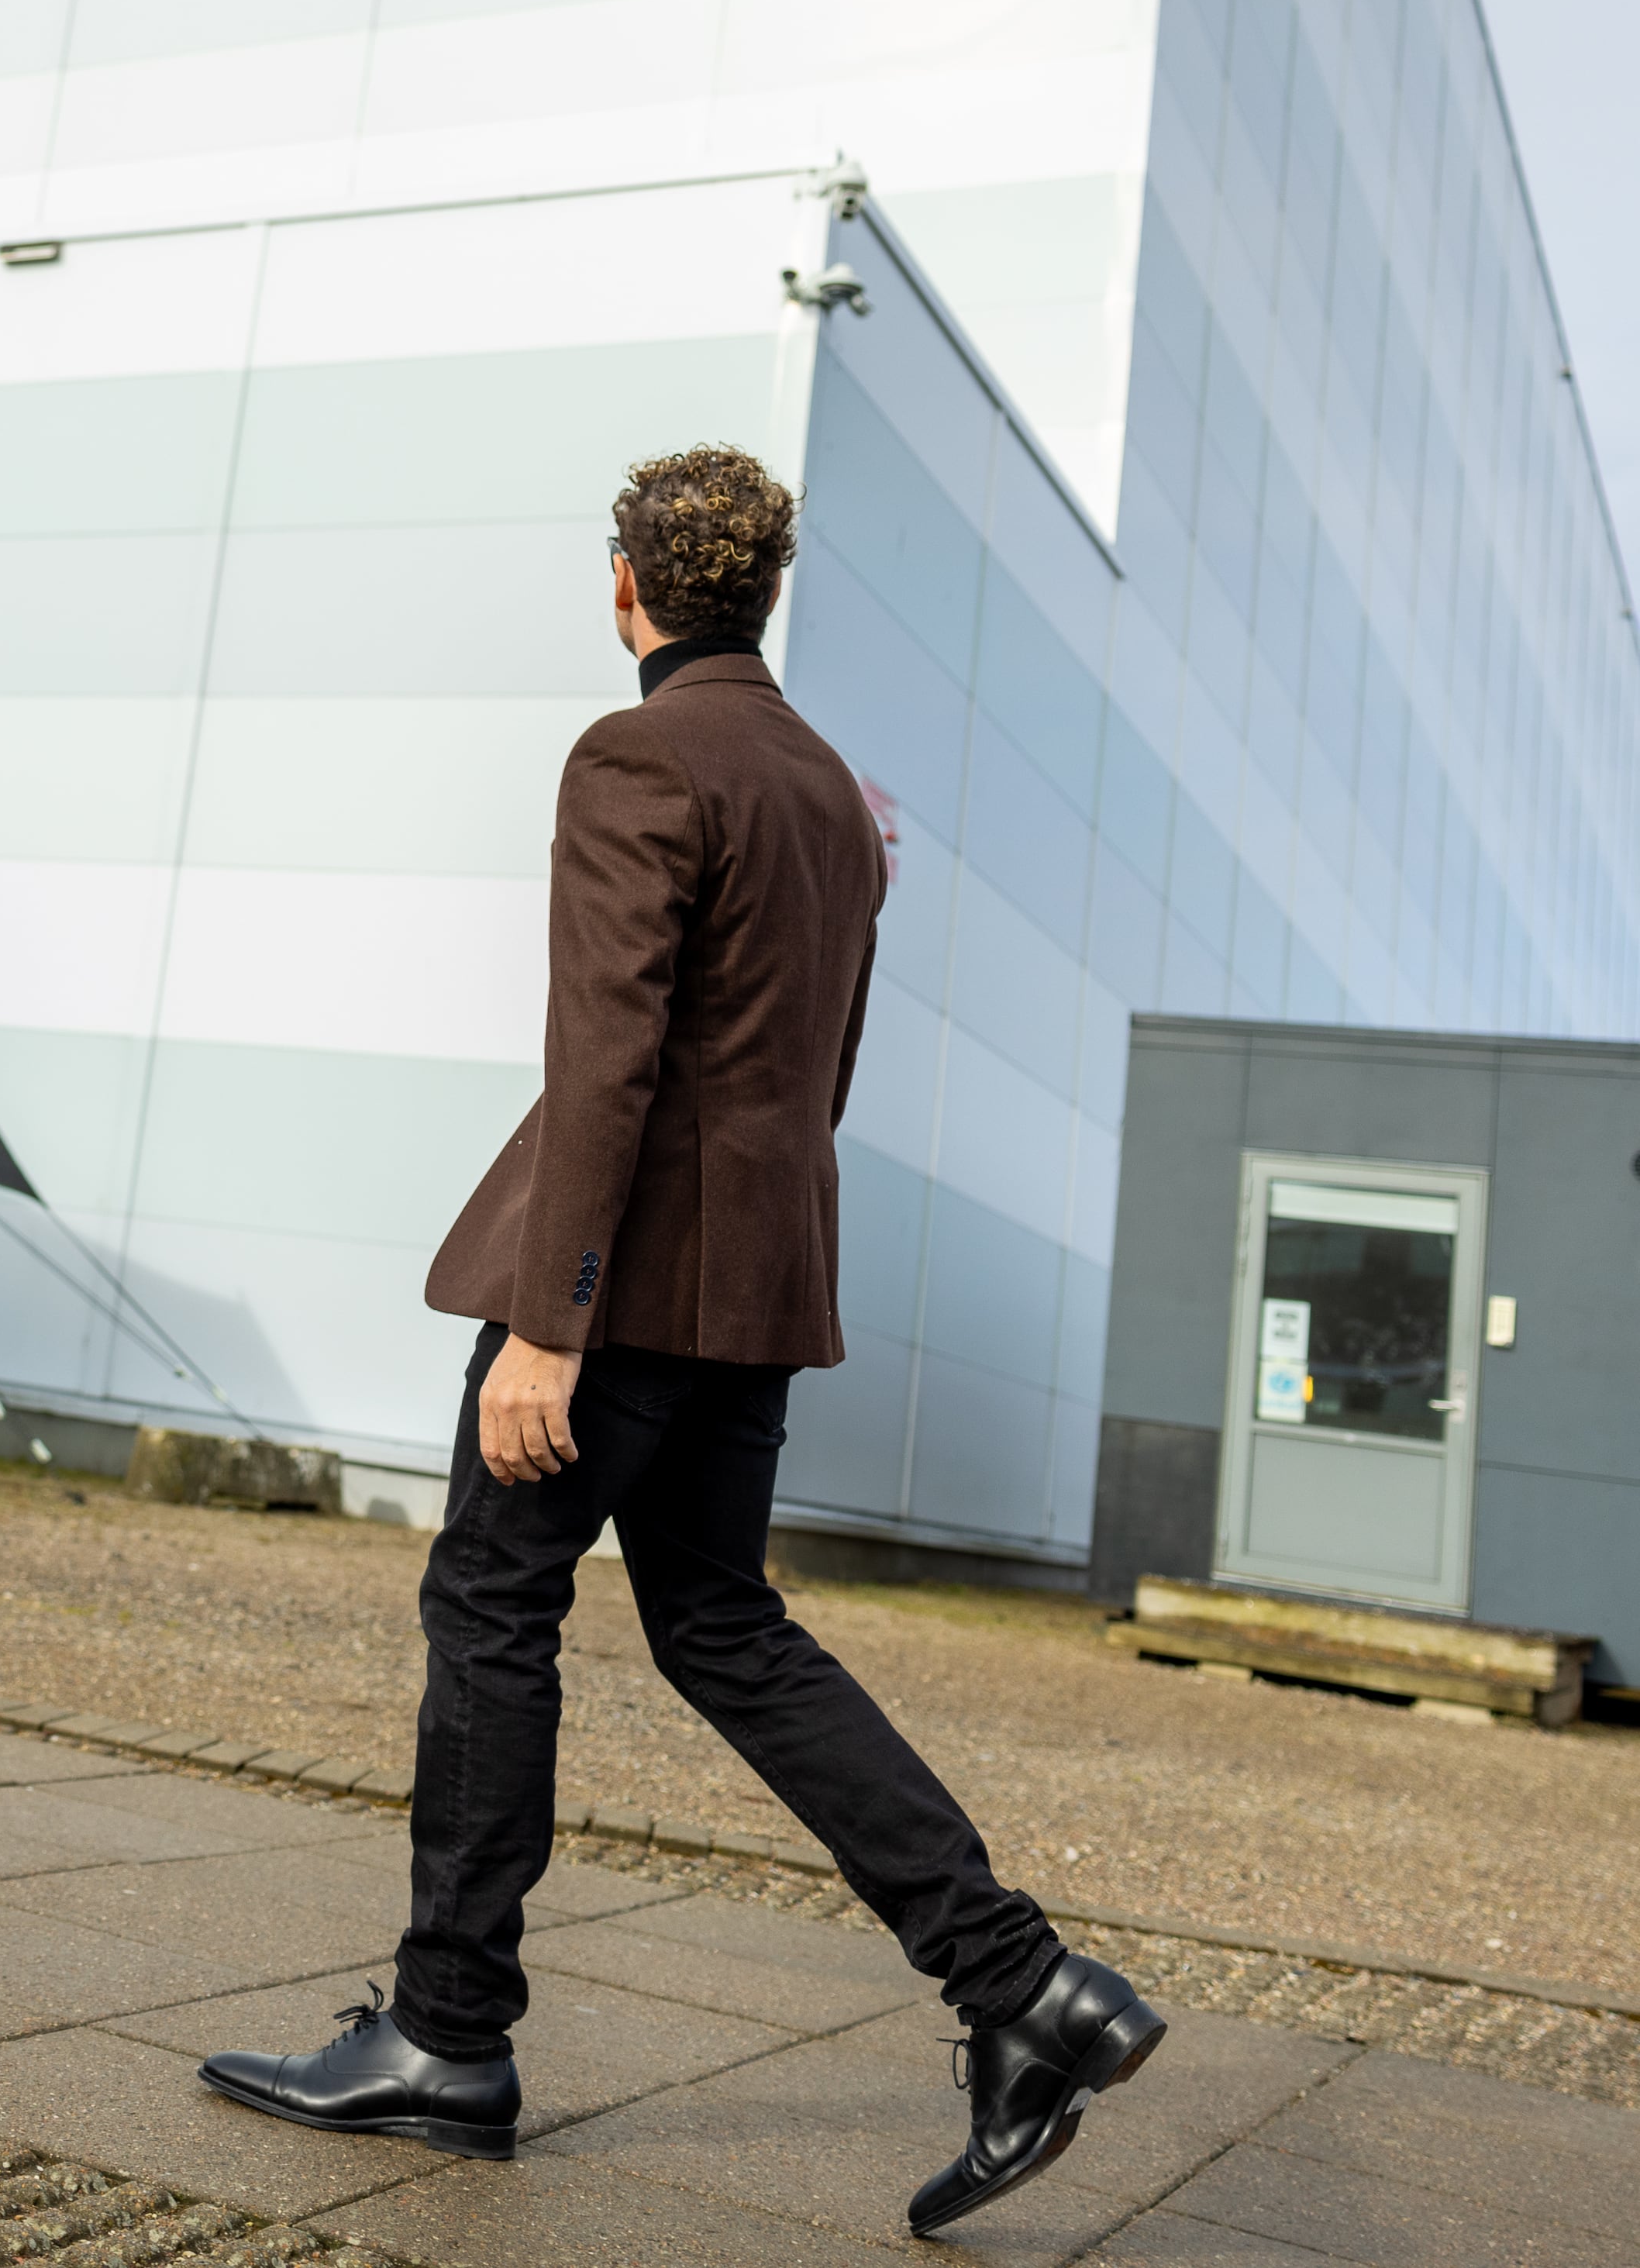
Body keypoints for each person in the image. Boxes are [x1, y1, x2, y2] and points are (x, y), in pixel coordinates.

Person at [193, 445, 1164, 2238]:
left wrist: (547, 1326)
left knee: (490, 1603)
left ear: (625, 585)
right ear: (762, 594)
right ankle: (1023, 1984)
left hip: (622, 1286)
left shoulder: (634, 752)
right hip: (756, 1281)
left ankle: (444, 2034)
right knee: (721, 1620)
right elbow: (819, 1074)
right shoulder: (831, 791)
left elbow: (605, 1049)